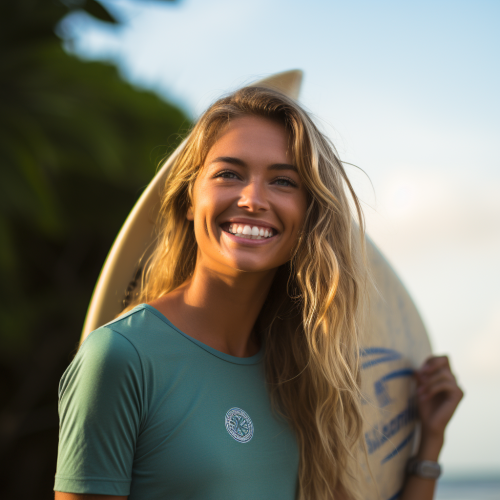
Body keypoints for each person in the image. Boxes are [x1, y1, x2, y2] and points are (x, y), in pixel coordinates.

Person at [54, 86, 463, 500]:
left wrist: (429, 442)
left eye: (283, 181)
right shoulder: (122, 357)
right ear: (190, 198)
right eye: (229, 174)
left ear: (309, 214)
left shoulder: (299, 375)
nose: (253, 200)